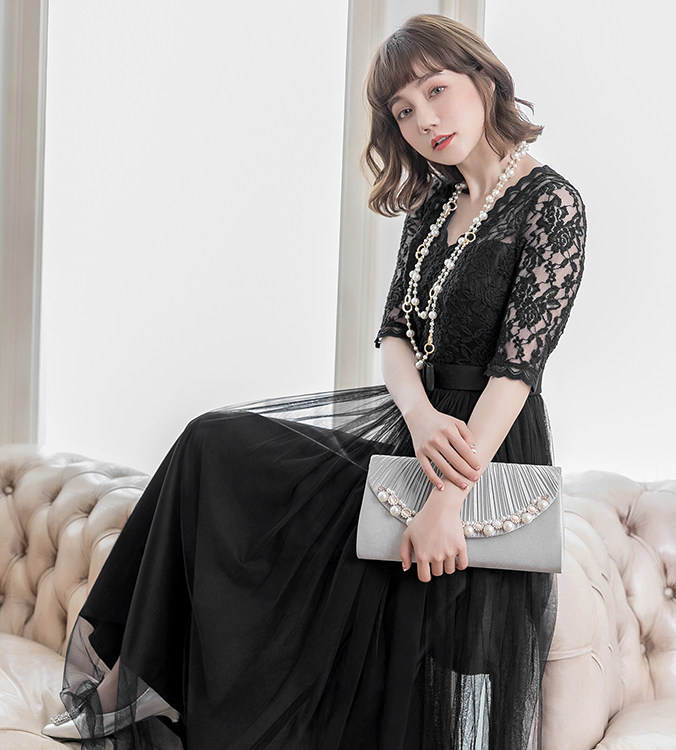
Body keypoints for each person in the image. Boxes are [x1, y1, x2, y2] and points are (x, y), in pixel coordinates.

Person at [42, 13, 587, 750]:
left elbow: (516, 373)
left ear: (484, 81)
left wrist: (445, 503)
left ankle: (146, 691)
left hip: (483, 453)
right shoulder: (433, 207)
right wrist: (420, 417)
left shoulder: (552, 204)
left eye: (436, 90)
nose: (425, 120)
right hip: (416, 431)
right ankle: (129, 683)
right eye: (404, 111)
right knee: (212, 444)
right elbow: (394, 338)